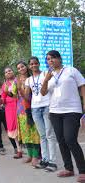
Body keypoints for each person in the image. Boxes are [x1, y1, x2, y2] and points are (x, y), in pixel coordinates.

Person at [41, 50, 85, 182]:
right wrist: (46, 80)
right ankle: (68, 168)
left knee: (70, 139)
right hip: (55, 112)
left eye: (53, 58)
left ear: (59, 59)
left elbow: (82, 86)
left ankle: (82, 170)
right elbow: (43, 93)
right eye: (48, 59)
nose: (50, 61)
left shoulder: (71, 70)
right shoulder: (49, 75)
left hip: (72, 110)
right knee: (61, 140)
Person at [24, 56, 57, 171]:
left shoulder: (45, 74)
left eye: (35, 63)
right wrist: (20, 89)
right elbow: (27, 97)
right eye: (31, 64)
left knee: (49, 134)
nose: (33, 65)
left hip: (47, 106)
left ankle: (53, 162)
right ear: (29, 66)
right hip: (35, 108)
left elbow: (51, 88)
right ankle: (45, 159)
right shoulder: (28, 80)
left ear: (39, 64)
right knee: (42, 135)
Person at [15, 61, 40, 166]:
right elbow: (13, 94)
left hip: (32, 107)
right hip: (20, 109)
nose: (21, 69)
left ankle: (36, 156)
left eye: (22, 66)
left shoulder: (32, 78)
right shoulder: (16, 80)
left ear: (27, 67)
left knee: (34, 133)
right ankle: (29, 155)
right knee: (25, 134)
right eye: (19, 68)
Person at [0, 78, 17, 153]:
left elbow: (8, 98)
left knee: (9, 130)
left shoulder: (4, 90)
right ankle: (0, 147)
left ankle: (15, 147)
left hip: (6, 112)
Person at [1, 67, 22, 158]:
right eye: (6, 72)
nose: (8, 72)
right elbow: (3, 98)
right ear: (4, 75)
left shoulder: (19, 80)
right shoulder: (5, 84)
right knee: (13, 129)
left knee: (22, 126)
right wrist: (0, 100)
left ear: (13, 72)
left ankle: (33, 153)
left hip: (20, 106)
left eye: (9, 71)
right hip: (9, 108)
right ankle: (19, 150)